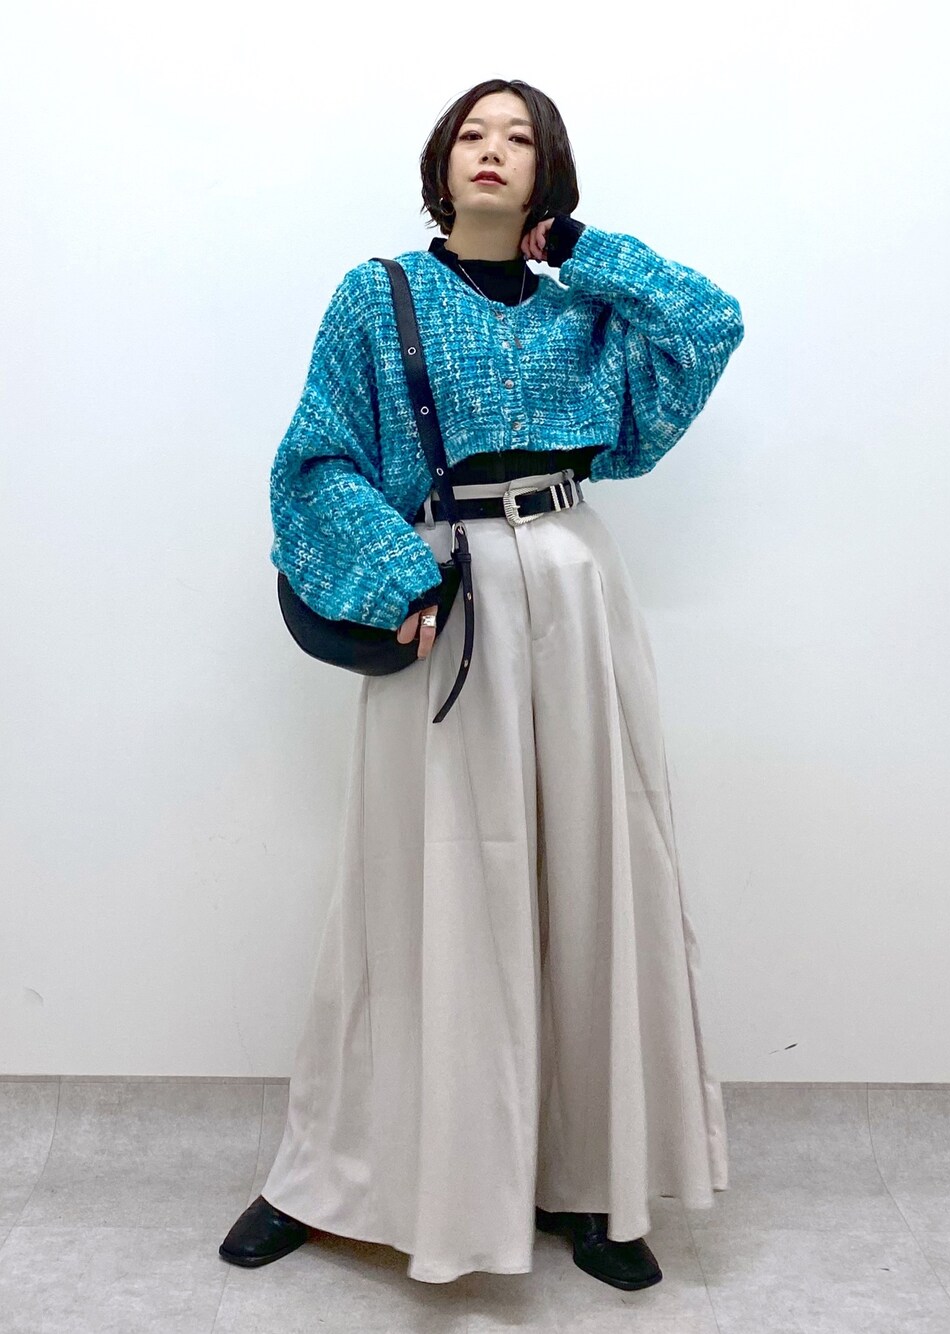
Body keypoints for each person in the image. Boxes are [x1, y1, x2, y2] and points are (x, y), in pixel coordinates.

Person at [219, 77, 744, 1292]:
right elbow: (317, 458)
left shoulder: (584, 311)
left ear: (548, 169)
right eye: (473, 133)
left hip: (572, 585)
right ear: (441, 161)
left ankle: (588, 1179)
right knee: (417, 883)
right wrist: (394, 573)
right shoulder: (378, 295)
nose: (493, 150)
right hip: (441, 596)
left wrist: (586, 251)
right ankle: (340, 1171)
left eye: (520, 137)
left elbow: (709, 323)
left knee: (591, 875)